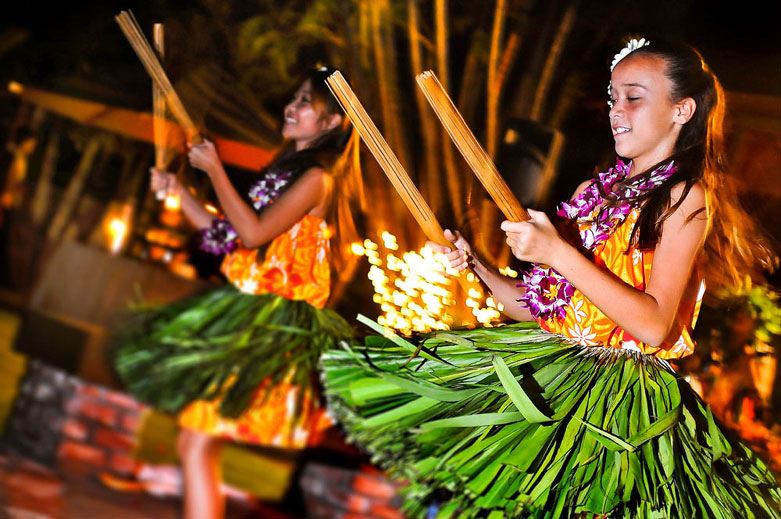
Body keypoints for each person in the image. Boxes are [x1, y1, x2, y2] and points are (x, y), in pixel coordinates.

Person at [321, 39, 781, 518]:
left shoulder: (685, 197)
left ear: (682, 109)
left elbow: (654, 326)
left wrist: (558, 252)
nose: (615, 109)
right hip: (554, 367)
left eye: (633, 96)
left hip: (617, 405)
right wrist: (474, 262)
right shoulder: (593, 193)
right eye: (611, 97)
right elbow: (535, 308)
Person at [113, 66, 362, 519]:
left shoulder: (317, 180)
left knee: (196, 441)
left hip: (268, 327)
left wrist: (214, 170)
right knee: (195, 441)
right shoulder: (288, 171)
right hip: (250, 317)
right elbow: (230, 237)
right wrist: (180, 192)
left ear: (331, 124)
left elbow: (250, 233)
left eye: (307, 102)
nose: (293, 105)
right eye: (296, 97)